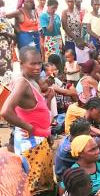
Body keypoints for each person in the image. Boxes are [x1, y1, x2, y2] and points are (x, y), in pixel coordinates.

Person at [0, 46, 54, 194]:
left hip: (38, 139)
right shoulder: (22, 83)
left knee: (42, 183)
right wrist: (30, 128)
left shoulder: (31, 79)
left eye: (39, 63)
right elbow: (5, 111)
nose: (37, 67)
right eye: (32, 64)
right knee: (33, 186)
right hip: (30, 144)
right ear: (22, 63)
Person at [0, 0, 15, 76]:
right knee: (3, 72)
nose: (3, 0)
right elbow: (6, 33)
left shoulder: (4, 16)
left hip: (7, 49)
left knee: (8, 72)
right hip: (2, 50)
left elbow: (12, 29)